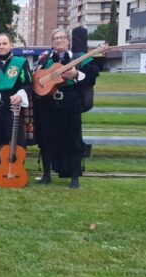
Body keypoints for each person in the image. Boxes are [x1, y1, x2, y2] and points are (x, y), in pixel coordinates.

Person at [33, 29, 99, 189]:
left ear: (68, 41)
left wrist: (77, 75)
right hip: (49, 104)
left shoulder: (79, 58)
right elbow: (36, 76)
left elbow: (91, 78)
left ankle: (75, 177)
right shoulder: (45, 58)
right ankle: (46, 174)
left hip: (70, 103)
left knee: (73, 140)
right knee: (47, 139)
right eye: (55, 38)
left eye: (62, 37)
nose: (59, 41)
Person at [0, 33, 32, 168]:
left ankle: (17, 169)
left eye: (4, 44)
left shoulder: (20, 63)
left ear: (11, 45)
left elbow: (27, 84)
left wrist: (21, 94)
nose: (1, 47)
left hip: (12, 109)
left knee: (16, 140)